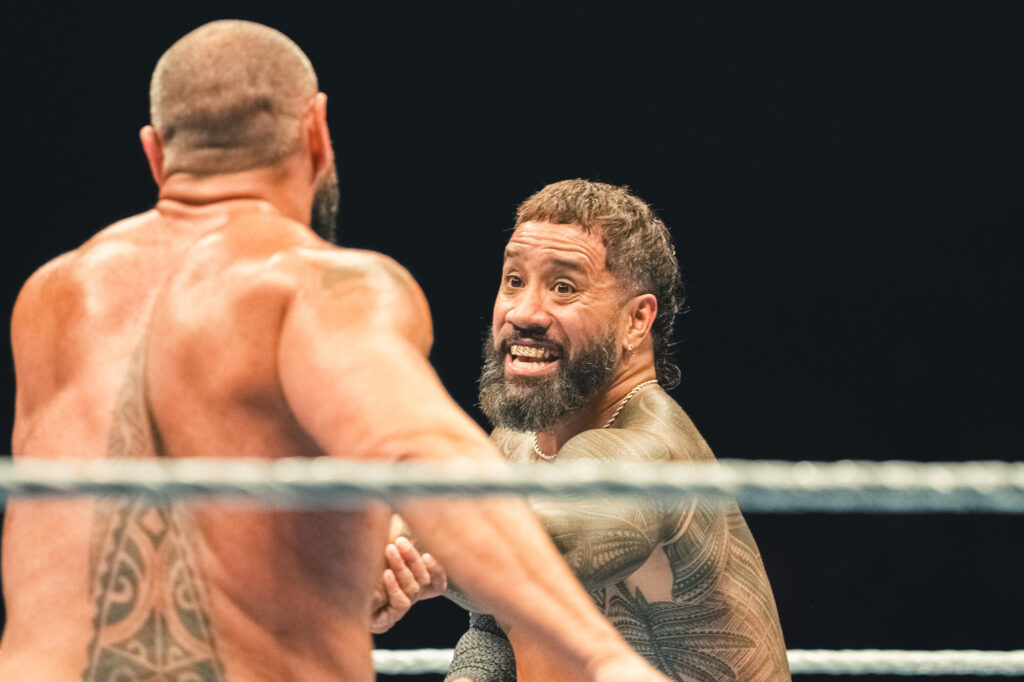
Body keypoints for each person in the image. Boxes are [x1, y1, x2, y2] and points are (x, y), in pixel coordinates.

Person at [0, 22, 669, 682]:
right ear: (316, 132)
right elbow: (424, 456)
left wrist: (355, 560)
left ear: (154, 153)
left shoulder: (50, 298)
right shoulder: (317, 285)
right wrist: (604, 659)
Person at [436, 180, 791, 681]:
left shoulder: (651, 452)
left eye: (564, 287)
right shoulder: (516, 440)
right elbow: (496, 628)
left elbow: (533, 560)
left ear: (636, 321)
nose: (523, 312)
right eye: (514, 280)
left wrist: (385, 538)